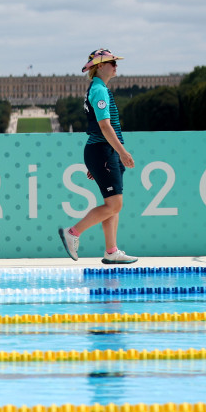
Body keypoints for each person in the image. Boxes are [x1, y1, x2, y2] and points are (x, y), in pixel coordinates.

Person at [58, 49, 138, 264]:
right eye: (112, 62)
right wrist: (122, 152)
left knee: (112, 204)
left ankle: (111, 251)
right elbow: (104, 126)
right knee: (114, 205)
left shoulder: (97, 88)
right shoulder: (100, 90)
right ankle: (73, 232)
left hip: (102, 151)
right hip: (104, 150)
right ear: (100, 66)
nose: (116, 66)